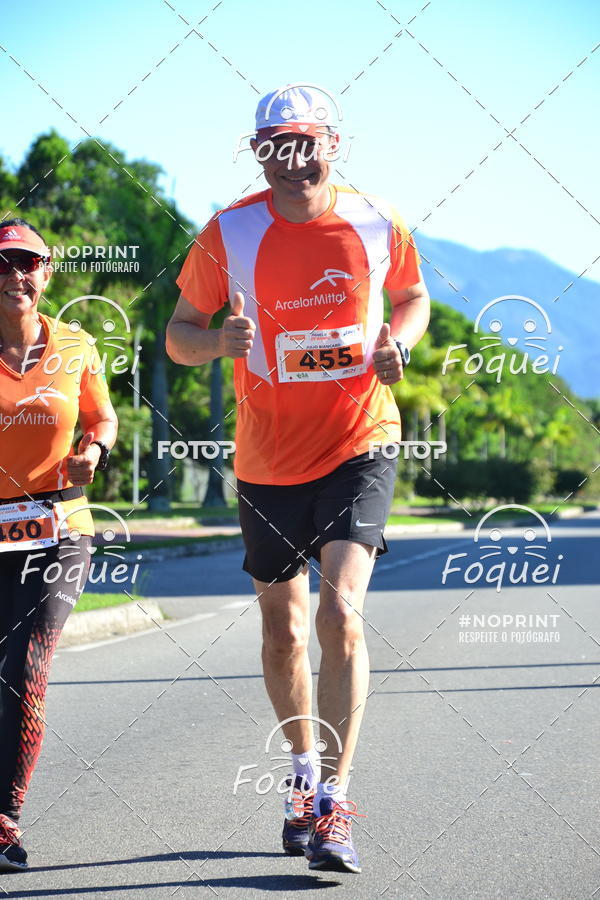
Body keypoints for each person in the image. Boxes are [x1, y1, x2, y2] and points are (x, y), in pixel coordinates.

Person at [166, 85, 430, 874]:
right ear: (258, 155)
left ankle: (339, 801)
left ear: (333, 143)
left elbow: (412, 298)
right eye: (275, 145)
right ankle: (305, 780)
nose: (292, 159)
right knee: (283, 630)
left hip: (361, 441)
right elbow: (179, 337)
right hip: (268, 460)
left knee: (341, 616)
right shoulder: (228, 232)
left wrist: (400, 345)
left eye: (305, 142)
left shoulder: (378, 221)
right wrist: (219, 345)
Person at [0, 219, 118, 870]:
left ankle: (5, 815)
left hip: (58, 527)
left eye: (28, 263)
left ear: (47, 272)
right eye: (2, 264)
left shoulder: (76, 345)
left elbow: (102, 416)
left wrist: (94, 450)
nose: (15, 275)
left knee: (25, 669)